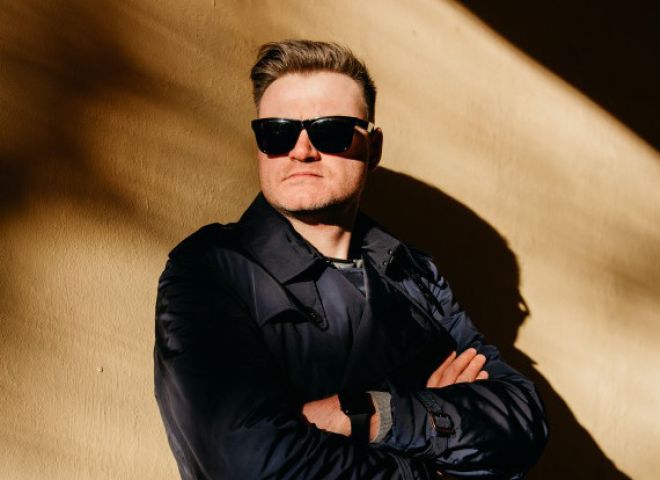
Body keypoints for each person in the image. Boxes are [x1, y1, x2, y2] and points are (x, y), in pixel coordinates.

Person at [154, 39, 548, 479]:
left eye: (331, 131)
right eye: (277, 133)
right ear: (259, 146)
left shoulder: (415, 273)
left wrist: (372, 413)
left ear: (373, 147)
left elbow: (523, 421)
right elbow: (252, 465)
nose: (301, 150)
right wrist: (435, 458)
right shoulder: (210, 269)